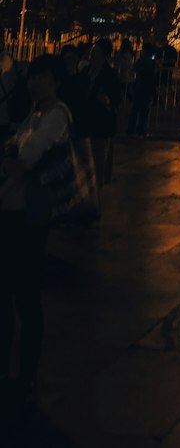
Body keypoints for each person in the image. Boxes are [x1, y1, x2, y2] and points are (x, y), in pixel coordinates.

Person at [0, 54, 74, 410]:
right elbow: (12, 149)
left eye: (41, 78)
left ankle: (26, 376)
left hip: (30, 216)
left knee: (25, 296)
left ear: (56, 82)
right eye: (31, 77)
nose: (33, 84)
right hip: (13, 209)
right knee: (10, 295)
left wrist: (16, 156)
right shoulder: (36, 113)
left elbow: (26, 154)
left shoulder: (57, 115)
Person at [74, 38, 121, 187]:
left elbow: (116, 99)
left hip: (101, 123)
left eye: (97, 52)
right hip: (84, 122)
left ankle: (97, 190)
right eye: (92, 51)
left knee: (98, 161)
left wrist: (108, 100)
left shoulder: (111, 75)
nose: (92, 54)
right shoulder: (85, 72)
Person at [127, 43, 158, 137]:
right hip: (148, 87)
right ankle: (140, 129)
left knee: (135, 108)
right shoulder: (152, 63)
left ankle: (131, 129)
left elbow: (132, 71)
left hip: (139, 86)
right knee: (144, 110)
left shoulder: (140, 61)